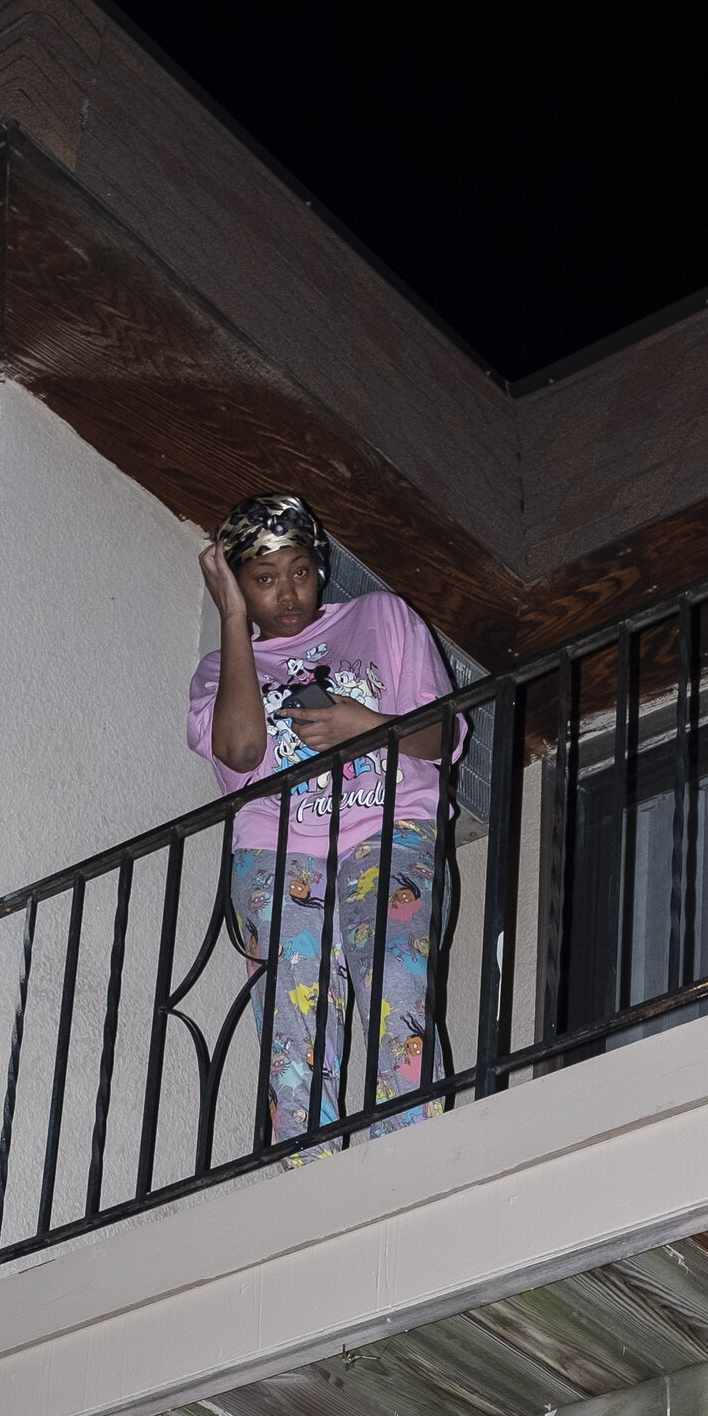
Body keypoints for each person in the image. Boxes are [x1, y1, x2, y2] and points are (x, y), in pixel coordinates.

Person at [188, 492, 463, 1153]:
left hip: (389, 827)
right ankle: (310, 1171)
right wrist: (231, 619)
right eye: (263, 579)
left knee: (396, 979)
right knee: (293, 1013)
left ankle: (409, 1152)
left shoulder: (380, 617)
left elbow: (442, 734)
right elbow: (242, 753)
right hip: (276, 850)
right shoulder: (220, 671)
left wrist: (364, 727)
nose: (288, 593)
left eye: (301, 571)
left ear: (322, 565)